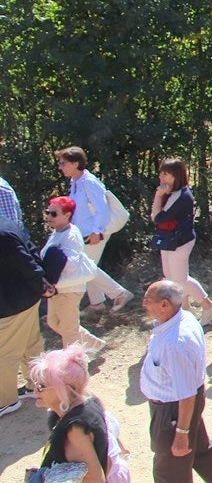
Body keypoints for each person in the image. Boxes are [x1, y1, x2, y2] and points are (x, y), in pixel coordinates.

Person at [138, 279, 212, 483]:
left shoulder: (175, 344)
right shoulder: (185, 318)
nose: (143, 304)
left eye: (148, 299)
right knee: (200, 451)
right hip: (182, 404)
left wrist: (181, 432)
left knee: (169, 469)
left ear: (165, 304)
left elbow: (186, 393)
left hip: (172, 410)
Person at [55, 147, 134, 314]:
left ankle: (119, 293)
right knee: (89, 266)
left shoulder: (89, 182)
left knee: (85, 267)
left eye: (63, 163)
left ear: (76, 163)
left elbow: (102, 209)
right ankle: (97, 304)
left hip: (95, 233)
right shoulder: (76, 182)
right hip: (84, 232)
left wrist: (97, 232)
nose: (60, 167)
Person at [29, 344, 118, 483]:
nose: (35, 391)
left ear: (65, 390)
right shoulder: (90, 402)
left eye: (41, 386)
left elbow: (94, 479)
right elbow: (107, 461)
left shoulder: (75, 428)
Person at [151, 159, 212, 325]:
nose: (161, 177)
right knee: (170, 276)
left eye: (165, 174)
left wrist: (158, 196)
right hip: (168, 239)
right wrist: (160, 197)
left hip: (180, 241)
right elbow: (157, 217)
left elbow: (158, 217)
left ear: (176, 176)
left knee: (180, 279)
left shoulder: (183, 196)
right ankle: (185, 310)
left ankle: (208, 306)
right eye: (161, 172)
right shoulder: (169, 192)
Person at [40, 197, 105, 354]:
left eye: (54, 213)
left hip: (69, 289)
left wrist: (53, 259)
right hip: (57, 287)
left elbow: (71, 264)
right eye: (48, 212)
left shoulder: (71, 234)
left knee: (69, 331)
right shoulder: (57, 232)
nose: (49, 217)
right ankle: (93, 344)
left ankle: (74, 367)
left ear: (67, 215)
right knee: (54, 322)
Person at [0, 217, 50, 418]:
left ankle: (5, 401)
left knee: (3, 354)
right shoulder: (7, 223)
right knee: (31, 345)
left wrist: (41, 283)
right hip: (25, 298)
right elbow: (32, 249)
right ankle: (35, 386)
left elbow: (26, 261)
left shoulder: (2, 235)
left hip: (12, 304)